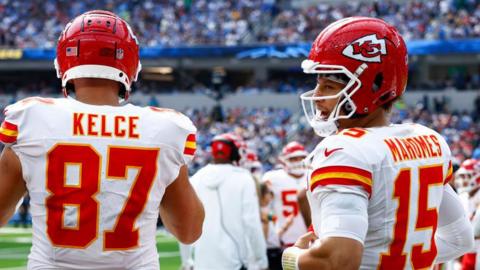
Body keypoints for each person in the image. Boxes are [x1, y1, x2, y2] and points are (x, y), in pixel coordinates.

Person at [0, 10, 204, 269]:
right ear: (130, 64)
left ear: (64, 61)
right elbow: (189, 231)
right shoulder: (165, 128)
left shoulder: (31, 118)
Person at [282, 17, 474, 270]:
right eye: (318, 85)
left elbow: (337, 260)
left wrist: (291, 258)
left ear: (370, 87)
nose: (317, 97)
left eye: (329, 86)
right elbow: (460, 239)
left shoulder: (344, 150)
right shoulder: (430, 141)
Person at [180, 133, 268, 270]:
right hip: (236, 262)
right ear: (234, 152)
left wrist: (187, 260)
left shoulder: (196, 178)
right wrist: (261, 260)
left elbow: (185, 224)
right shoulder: (244, 178)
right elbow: (252, 223)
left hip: (202, 263)